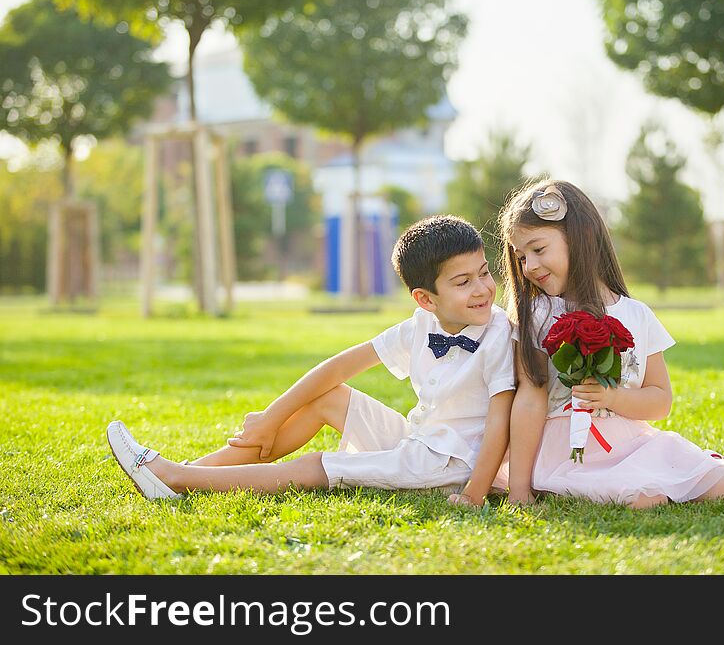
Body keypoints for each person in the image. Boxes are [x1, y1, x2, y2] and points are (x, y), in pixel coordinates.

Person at [106, 215, 515, 501]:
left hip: (449, 467)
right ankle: (191, 469)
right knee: (326, 397)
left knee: (316, 465)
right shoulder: (420, 325)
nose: (482, 288)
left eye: (483, 273)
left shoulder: (497, 334)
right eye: (464, 282)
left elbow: (500, 422)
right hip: (415, 441)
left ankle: (177, 478)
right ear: (425, 299)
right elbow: (339, 367)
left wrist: (474, 494)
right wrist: (270, 417)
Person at [492, 179, 724, 508]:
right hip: (567, 447)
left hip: (627, 444)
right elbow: (530, 400)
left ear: (580, 237)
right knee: (640, 496)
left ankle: (647, 484)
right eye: (521, 257)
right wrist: (519, 488)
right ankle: (629, 490)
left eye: (538, 250)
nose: (529, 266)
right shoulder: (539, 314)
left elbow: (660, 401)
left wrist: (612, 397)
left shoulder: (637, 314)